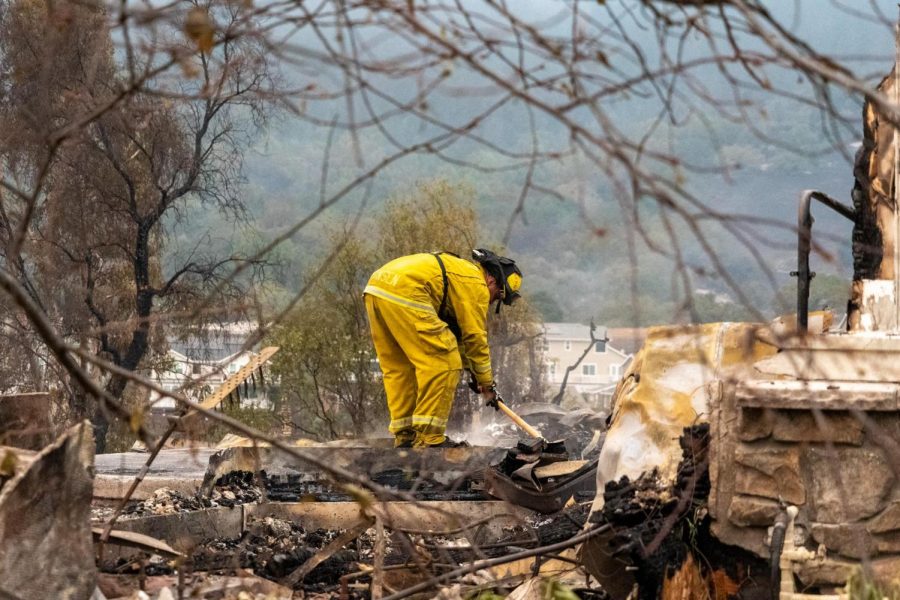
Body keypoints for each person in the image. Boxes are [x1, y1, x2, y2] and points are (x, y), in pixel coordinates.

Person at [363, 248, 523, 448]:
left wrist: (476, 376)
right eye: (498, 297)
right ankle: (430, 439)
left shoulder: (462, 275)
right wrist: (487, 383)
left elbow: (463, 340)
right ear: (492, 281)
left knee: (401, 368)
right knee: (445, 362)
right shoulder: (476, 284)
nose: (493, 302)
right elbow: (475, 339)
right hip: (408, 291)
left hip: (377, 287)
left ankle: (406, 436)